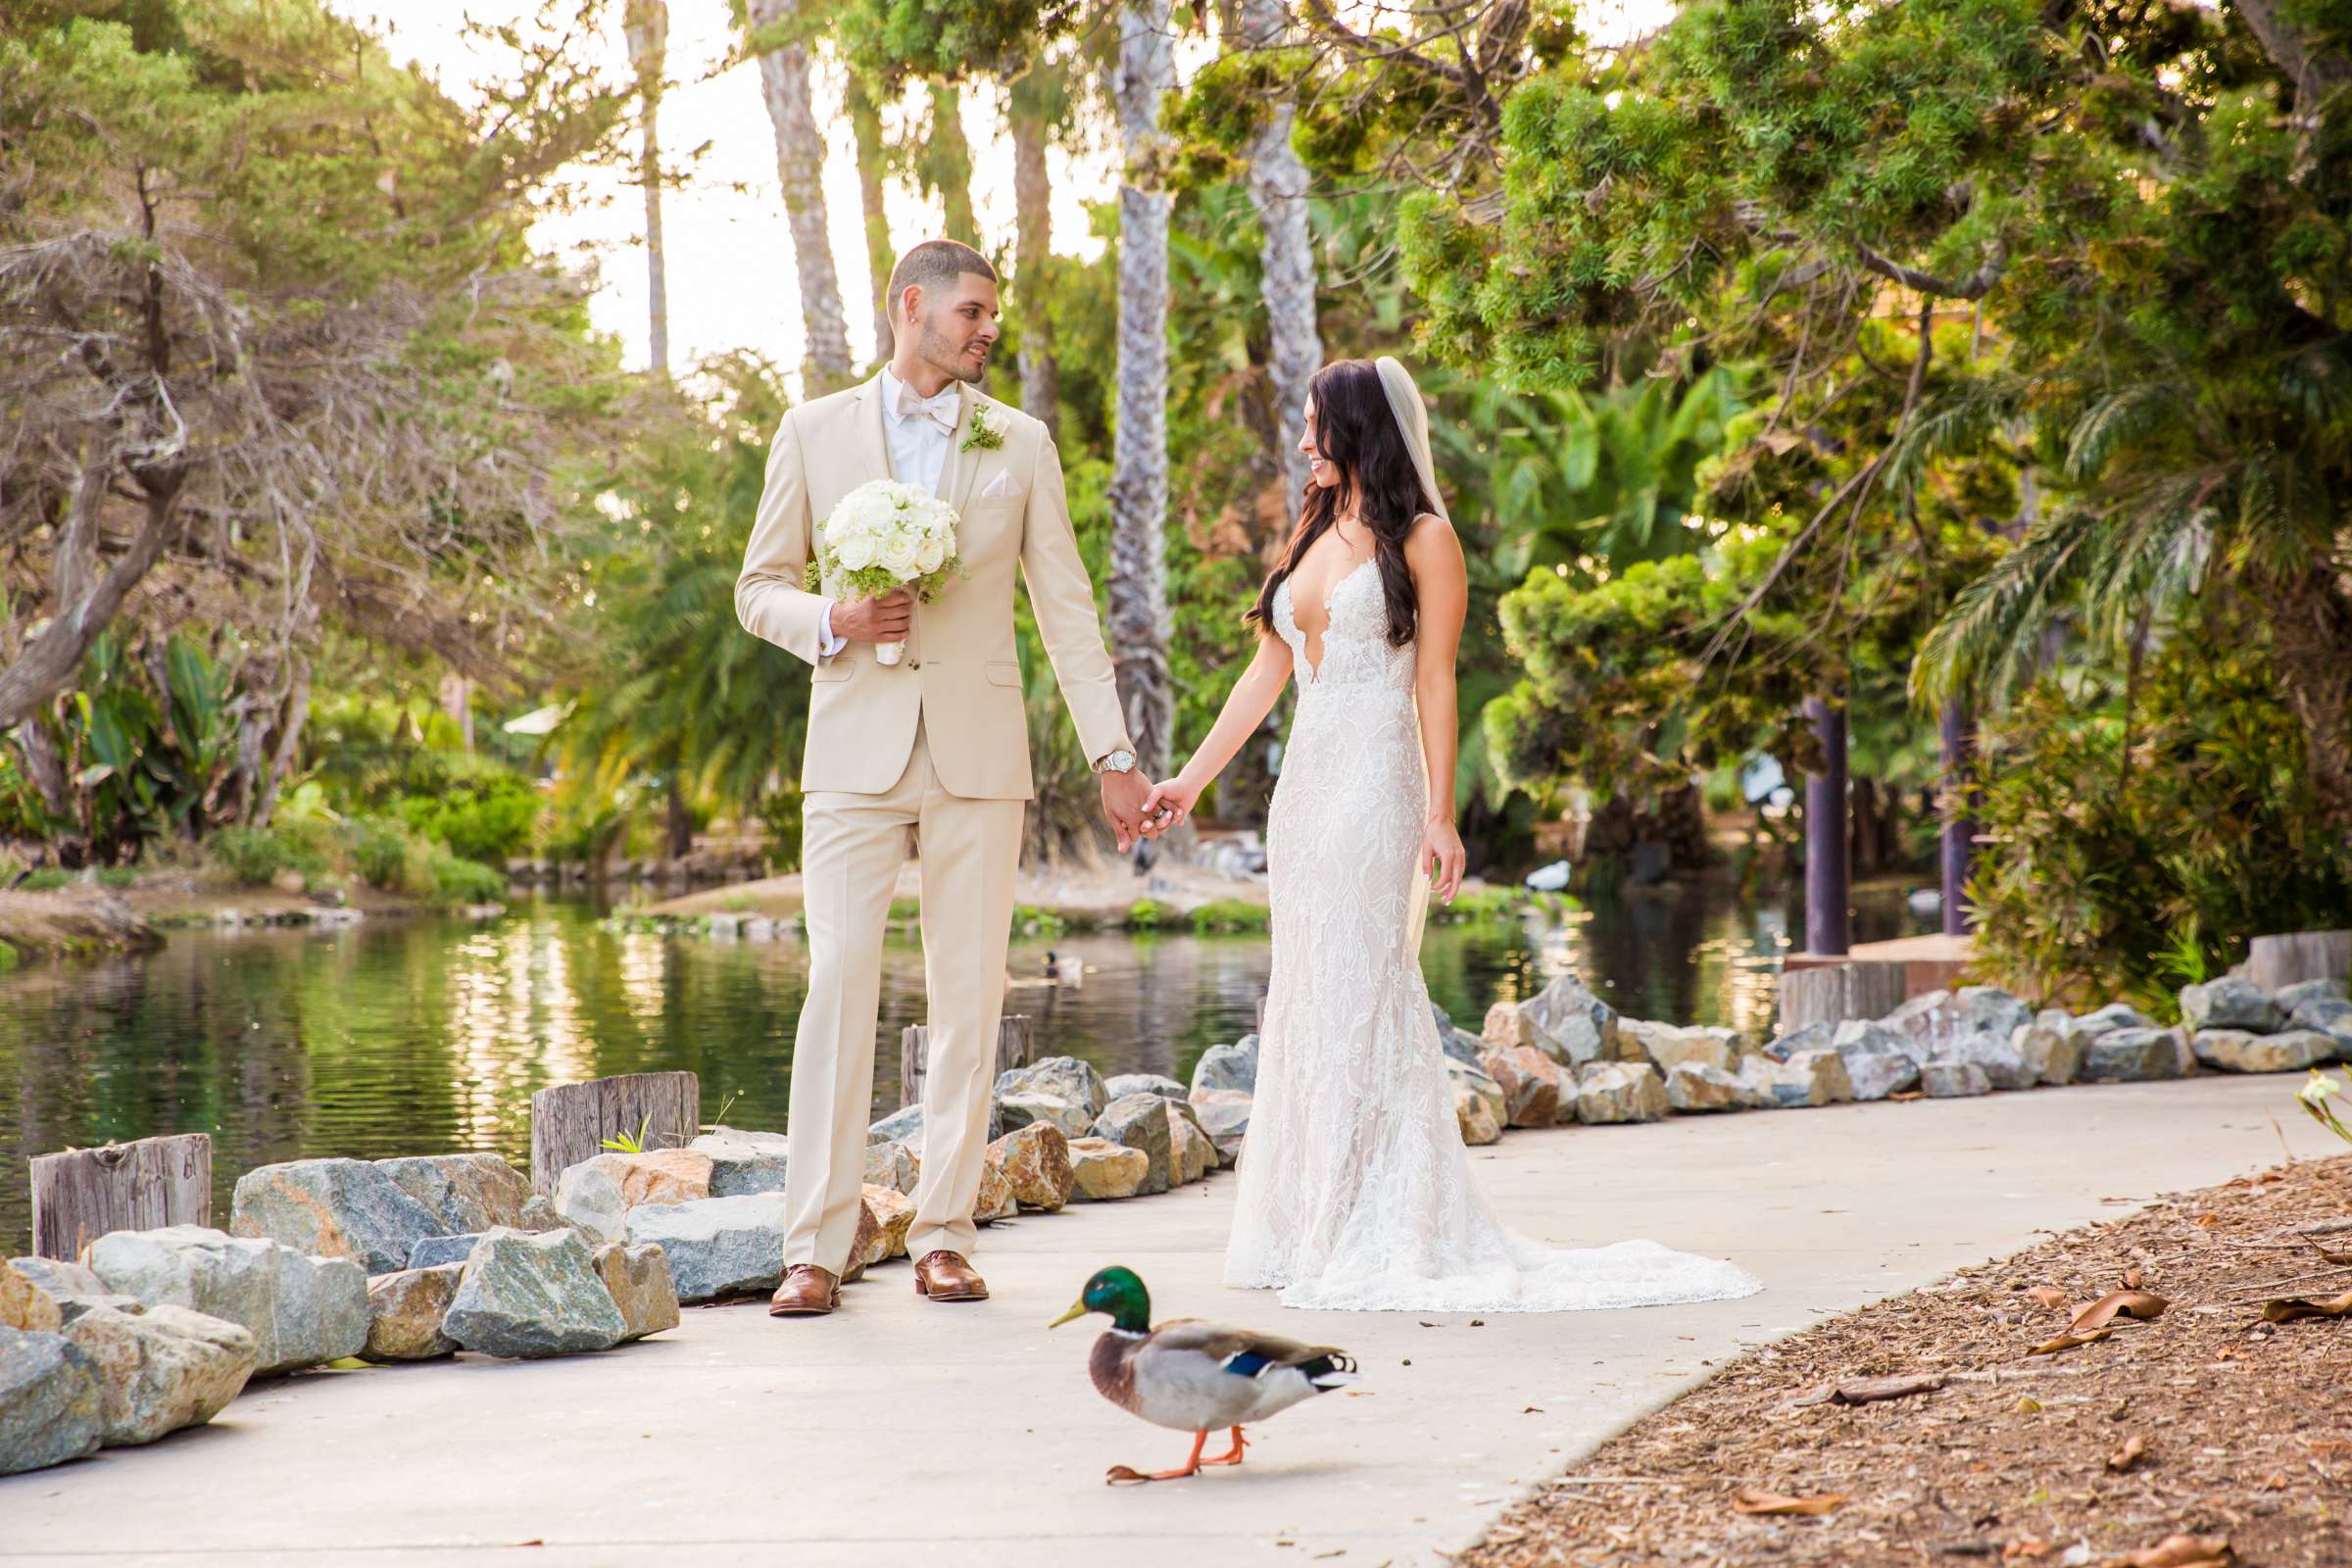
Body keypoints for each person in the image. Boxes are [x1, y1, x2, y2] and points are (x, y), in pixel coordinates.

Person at [1139, 357, 1762, 1312]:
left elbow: (1436, 681)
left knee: (1363, 985)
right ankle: (1309, 1218)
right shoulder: (1312, 529)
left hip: (1375, 790)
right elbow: (1262, 677)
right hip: (1304, 799)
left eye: (1317, 425)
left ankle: (1373, 1218)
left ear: (1360, 429)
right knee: (1307, 991)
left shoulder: (1426, 540)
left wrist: (1439, 812)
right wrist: (1188, 780)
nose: (1304, 442)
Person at [734, 238, 1160, 1316]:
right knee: (837, 987)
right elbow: (756, 587)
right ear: (911, 306)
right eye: (971, 312)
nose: (986, 331)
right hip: (851, 755)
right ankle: (815, 1249)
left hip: (978, 753)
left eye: (991, 317)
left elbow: (1065, 606)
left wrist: (1114, 756)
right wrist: (829, 619)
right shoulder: (812, 430)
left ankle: (943, 1231)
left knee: (970, 996)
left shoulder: (1020, 443)